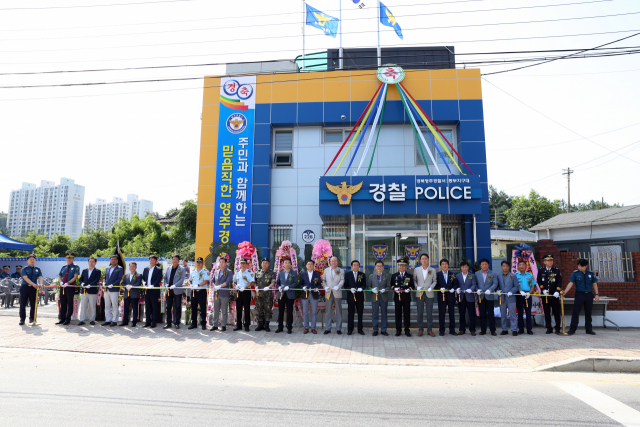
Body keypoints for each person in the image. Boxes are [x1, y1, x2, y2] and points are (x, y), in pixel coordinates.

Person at [563, 259, 599, 335]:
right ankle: (572, 329)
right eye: (579, 266)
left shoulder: (591, 273)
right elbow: (571, 283)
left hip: (589, 294)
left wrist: (597, 294)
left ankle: (589, 329)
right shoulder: (575, 273)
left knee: (588, 312)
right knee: (576, 312)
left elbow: (594, 284)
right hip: (579, 294)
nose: (580, 268)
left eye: (581, 266)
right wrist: (565, 291)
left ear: (586, 266)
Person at [537, 254, 563, 334]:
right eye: (548, 261)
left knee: (556, 312)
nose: (550, 262)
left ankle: (557, 327)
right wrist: (543, 289)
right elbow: (539, 281)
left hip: (554, 294)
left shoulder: (556, 270)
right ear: (544, 262)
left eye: (551, 260)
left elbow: (559, 282)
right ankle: (549, 327)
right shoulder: (541, 270)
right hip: (545, 295)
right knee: (547, 312)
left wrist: (557, 291)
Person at [414, 253, 437, 337]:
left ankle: (429, 330)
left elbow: (435, 280)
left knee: (429, 312)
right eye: (422, 259)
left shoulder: (432, 270)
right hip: (420, 293)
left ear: (428, 260)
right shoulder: (416, 270)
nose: (424, 260)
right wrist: (417, 286)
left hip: (429, 293)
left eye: (426, 258)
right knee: (420, 312)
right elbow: (414, 280)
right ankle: (420, 329)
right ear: (420, 260)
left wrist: (431, 287)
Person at [474, 258, 499, 336]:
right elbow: (475, 283)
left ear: (488, 265)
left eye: (486, 264)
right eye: (483, 264)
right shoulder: (477, 274)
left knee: (491, 313)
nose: (484, 266)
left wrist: (490, 290)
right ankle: (483, 330)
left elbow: (495, 283)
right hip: (481, 297)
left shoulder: (493, 273)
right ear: (480, 265)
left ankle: (492, 330)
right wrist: (477, 289)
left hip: (489, 296)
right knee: (482, 314)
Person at [391, 257, 414, 337]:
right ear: (398, 266)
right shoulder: (394, 275)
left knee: (407, 314)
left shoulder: (409, 275)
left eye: (403, 265)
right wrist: (394, 289)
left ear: (406, 267)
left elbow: (412, 286)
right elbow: (391, 285)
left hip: (406, 298)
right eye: (400, 265)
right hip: (397, 298)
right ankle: (398, 329)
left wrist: (409, 289)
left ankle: (407, 330)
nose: (401, 267)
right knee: (398, 314)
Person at [56, 252, 80, 326]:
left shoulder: (76, 267)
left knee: (70, 303)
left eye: (71, 258)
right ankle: (62, 318)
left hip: (70, 287)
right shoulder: (64, 267)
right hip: (63, 287)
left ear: (73, 259)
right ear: (66, 259)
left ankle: (68, 319)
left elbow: (75, 277)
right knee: (63, 303)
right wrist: (61, 282)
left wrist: (68, 283)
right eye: (68, 258)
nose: (69, 259)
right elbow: (60, 276)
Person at [368, 260, 390, 336]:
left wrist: (385, 290)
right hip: (375, 297)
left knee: (384, 314)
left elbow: (389, 286)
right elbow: (368, 286)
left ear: (383, 267)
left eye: (381, 266)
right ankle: (375, 330)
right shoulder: (371, 276)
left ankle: (383, 330)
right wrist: (372, 290)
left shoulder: (386, 276)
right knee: (375, 314)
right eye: (378, 266)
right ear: (375, 267)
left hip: (384, 297)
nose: (379, 267)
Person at [164, 254, 186, 329]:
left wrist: (175, 285)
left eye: (176, 259)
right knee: (168, 307)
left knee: (177, 306)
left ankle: (177, 323)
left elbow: (182, 279)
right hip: (169, 290)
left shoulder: (182, 269)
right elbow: (165, 278)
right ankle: (168, 323)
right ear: (172, 260)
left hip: (177, 290)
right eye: (173, 259)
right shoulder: (168, 268)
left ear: (178, 260)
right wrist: (166, 284)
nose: (175, 260)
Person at [210, 256, 233, 331]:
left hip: (224, 293)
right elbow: (212, 281)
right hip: (216, 293)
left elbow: (227, 281)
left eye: (223, 262)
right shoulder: (216, 271)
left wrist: (219, 286)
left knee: (224, 310)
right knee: (216, 310)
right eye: (220, 262)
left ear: (226, 263)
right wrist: (215, 286)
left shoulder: (229, 272)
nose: (221, 263)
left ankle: (223, 325)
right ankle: (215, 325)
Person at [435, 258, 457, 336]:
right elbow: (435, 285)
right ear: (440, 266)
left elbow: (455, 284)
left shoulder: (452, 274)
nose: (444, 265)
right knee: (442, 314)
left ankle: (452, 329)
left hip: (451, 297)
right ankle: (441, 330)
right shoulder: (438, 274)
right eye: (443, 264)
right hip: (442, 297)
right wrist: (440, 289)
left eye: (446, 264)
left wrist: (453, 289)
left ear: (448, 265)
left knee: (452, 314)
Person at [496, 261, 519, 336]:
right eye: (503, 266)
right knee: (503, 315)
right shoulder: (498, 276)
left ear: (509, 267)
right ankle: (504, 329)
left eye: (506, 266)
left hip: (511, 298)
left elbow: (516, 286)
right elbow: (496, 285)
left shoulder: (513, 276)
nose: (505, 267)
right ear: (501, 267)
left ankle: (514, 329)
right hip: (502, 298)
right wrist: (497, 291)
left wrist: (511, 291)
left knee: (513, 314)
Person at [323, 256, 344, 335]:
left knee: (338, 310)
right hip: (328, 292)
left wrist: (338, 286)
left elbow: (342, 280)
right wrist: (325, 287)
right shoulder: (326, 270)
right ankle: (328, 328)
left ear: (337, 262)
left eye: (335, 261)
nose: (333, 262)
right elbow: (324, 280)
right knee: (328, 311)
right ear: (330, 262)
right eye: (332, 261)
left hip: (337, 292)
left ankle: (338, 328)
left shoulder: (341, 270)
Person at [455, 261, 477, 336]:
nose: (464, 268)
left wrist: (471, 289)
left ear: (468, 267)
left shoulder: (472, 275)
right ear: (461, 268)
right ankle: (462, 329)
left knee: (471, 314)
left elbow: (474, 284)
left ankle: (472, 330)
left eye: (466, 267)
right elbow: (456, 284)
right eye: (463, 267)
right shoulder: (457, 276)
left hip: (470, 297)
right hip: (461, 297)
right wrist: (457, 289)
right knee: (461, 314)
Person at [19, 254, 42, 326]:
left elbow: (40, 277)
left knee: (34, 304)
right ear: (27, 261)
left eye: (33, 259)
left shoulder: (37, 269)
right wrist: (33, 284)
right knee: (23, 304)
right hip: (25, 287)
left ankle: (32, 319)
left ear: (35, 260)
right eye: (30, 260)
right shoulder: (24, 269)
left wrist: (40, 284)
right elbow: (25, 278)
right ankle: (22, 319)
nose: (32, 261)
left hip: (33, 289)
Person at [514, 260, 536, 335]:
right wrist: (520, 291)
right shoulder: (515, 275)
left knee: (528, 312)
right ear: (518, 266)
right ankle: (521, 328)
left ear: (526, 266)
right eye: (520, 265)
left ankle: (529, 329)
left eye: (523, 265)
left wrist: (529, 293)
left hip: (528, 295)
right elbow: (515, 285)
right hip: (519, 295)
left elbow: (533, 285)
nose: (521, 266)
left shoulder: (530, 275)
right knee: (520, 312)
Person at [276, 257, 297, 334]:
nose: (287, 264)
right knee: (280, 311)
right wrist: (279, 287)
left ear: (291, 264)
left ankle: (289, 327)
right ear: (283, 264)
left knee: (289, 311)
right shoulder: (280, 273)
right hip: (281, 294)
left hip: (290, 294)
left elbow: (295, 283)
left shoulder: (294, 273)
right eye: (286, 263)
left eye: (288, 263)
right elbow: (278, 282)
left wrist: (289, 287)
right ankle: (280, 327)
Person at [345, 260, 366, 336]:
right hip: (351, 297)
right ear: (351, 266)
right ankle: (350, 329)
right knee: (351, 313)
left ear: (359, 266)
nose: (356, 266)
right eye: (354, 265)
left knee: (360, 313)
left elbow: (364, 284)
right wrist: (350, 289)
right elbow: (345, 285)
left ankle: (360, 329)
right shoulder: (347, 274)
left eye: (357, 265)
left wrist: (361, 288)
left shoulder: (362, 274)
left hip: (360, 297)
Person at [254, 257, 276, 332]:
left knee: (268, 310)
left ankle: (266, 326)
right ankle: (260, 325)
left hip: (268, 295)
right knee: (259, 310)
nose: (264, 264)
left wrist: (269, 287)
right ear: (261, 264)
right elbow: (254, 282)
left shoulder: (272, 273)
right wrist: (255, 287)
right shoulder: (257, 272)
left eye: (266, 263)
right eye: (263, 263)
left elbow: (273, 282)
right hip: (259, 295)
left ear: (269, 264)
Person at [300, 259, 322, 334]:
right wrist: (303, 287)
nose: (310, 265)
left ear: (313, 266)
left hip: (314, 294)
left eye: (311, 264)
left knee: (314, 312)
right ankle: (306, 327)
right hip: (305, 294)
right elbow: (300, 284)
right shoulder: (303, 274)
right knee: (305, 312)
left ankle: (313, 328)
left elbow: (319, 284)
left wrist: (317, 288)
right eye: (308, 264)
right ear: (306, 266)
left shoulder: (317, 274)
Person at [102, 254, 124, 327]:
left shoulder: (120, 268)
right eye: (112, 259)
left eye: (115, 259)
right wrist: (104, 283)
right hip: (106, 289)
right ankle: (108, 320)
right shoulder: (107, 268)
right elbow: (105, 277)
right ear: (110, 260)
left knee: (114, 305)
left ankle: (114, 320)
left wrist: (113, 284)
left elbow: (119, 279)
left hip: (114, 289)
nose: (113, 260)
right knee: (107, 305)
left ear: (117, 261)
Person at [78, 257, 101, 326]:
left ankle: (92, 320)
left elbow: (97, 279)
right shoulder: (84, 270)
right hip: (84, 291)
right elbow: (81, 279)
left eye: (93, 261)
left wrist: (90, 285)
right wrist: (82, 283)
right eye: (90, 261)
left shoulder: (98, 271)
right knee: (83, 306)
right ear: (88, 262)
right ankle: (82, 320)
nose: (91, 263)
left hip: (92, 291)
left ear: (95, 263)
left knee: (92, 306)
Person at [188, 257, 210, 330]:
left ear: (203, 263)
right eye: (197, 262)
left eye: (200, 262)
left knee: (203, 308)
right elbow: (190, 280)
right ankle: (194, 323)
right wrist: (191, 284)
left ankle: (203, 323)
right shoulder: (193, 271)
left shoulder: (205, 271)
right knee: (193, 307)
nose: (198, 263)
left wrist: (198, 285)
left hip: (202, 291)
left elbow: (206, 281)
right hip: (194, 292)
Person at [233, 258, 254, 332]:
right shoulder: (237, 272)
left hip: (246, 291)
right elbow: (234, 281)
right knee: (238, 309)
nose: (242, 264)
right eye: (241, 263)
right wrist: (236, 285)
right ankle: (238, 325)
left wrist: (244, 287)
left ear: (246, 264)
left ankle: (247, 325)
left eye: (244, 263)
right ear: (240, 264)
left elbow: (251, 282)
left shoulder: (250, 272)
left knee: (247, 309)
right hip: (239, 292)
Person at [142, 255, 162, 328]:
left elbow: (159, 279)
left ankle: (154, 322)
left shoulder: (159, 269)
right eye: (150, 260)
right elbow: (143, 278)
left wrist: (153, 285)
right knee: (147, 307)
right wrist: (143, 282)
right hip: (147, 290)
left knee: (154, 307)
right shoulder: (146, 269)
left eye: (153, 260)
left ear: (156, 261)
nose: (152, 261)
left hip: (154, 290)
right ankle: (148, 322)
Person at [121, 262, 143, 327]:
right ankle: (125, 321)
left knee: (135, 308)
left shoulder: (138, 275)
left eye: (133, 266)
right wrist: (126, 286)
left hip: (134, 294)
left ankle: (134, 322)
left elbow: (138, 283)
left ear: (136, 267)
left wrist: (132, 286)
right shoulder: (126, 275)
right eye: (130, 266)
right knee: (126, 308)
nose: (132, 267)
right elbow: (123, 283)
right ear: (129, 267)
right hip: (126, 294)